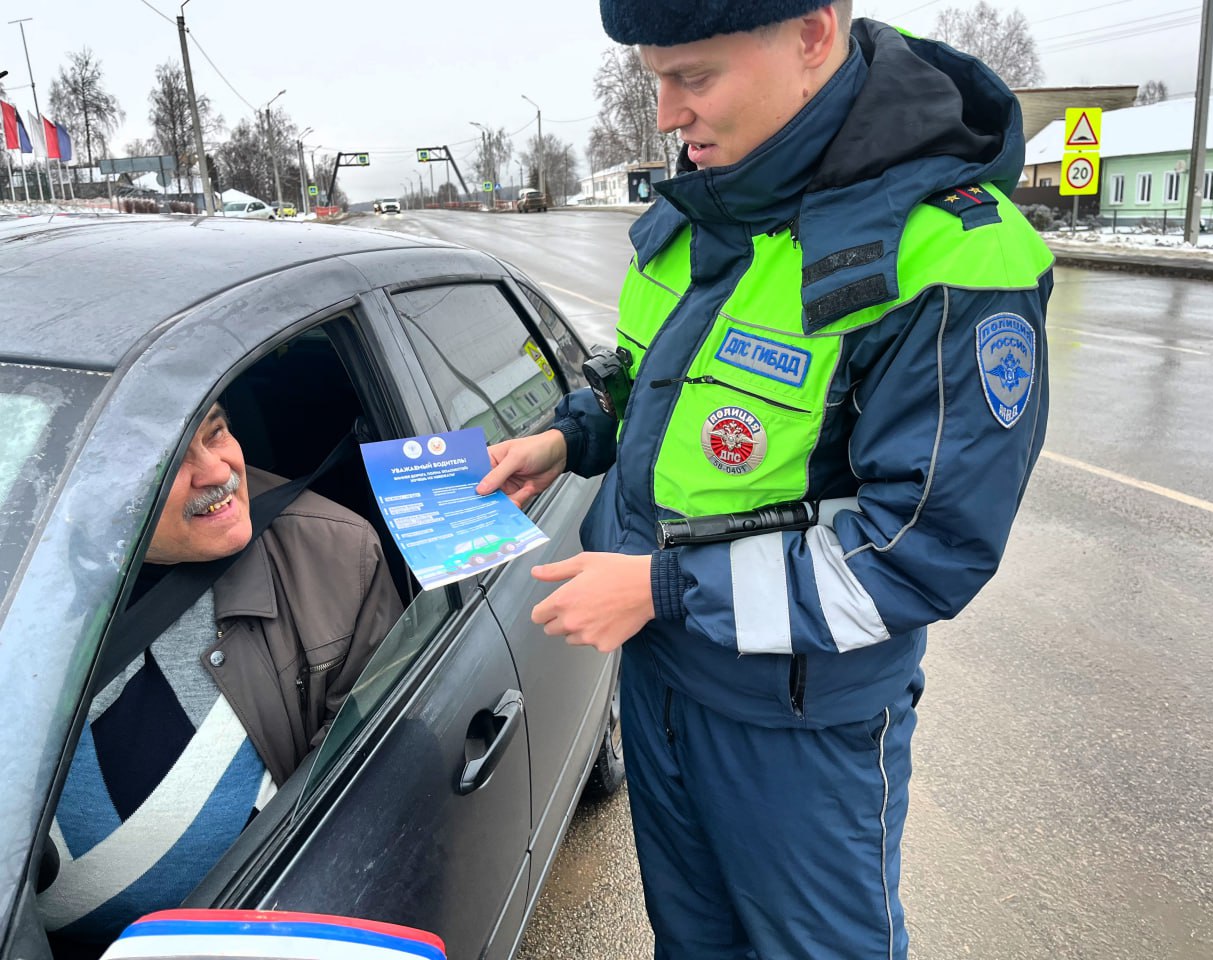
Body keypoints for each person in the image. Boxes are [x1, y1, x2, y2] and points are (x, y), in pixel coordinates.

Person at [478, 2, 1052, 956]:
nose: (666, 114)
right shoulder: (713, 203)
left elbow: (922, 554)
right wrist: (571, 437)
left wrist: (663, 586)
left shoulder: (949, 253)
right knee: (693, 942)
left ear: (814, 34)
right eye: (653, 79)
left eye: (694, 78)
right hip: (663, 681)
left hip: (796, 725)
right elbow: (651, 377)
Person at [40, 402, 403, 948]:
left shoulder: (333, 556)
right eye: (167, 462)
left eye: (217, 432)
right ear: (80, 486)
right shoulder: (20, 584)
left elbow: (364, 783)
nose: (217, 472)